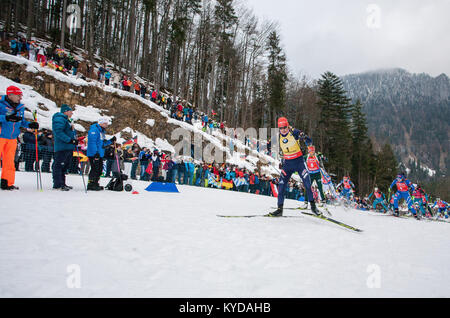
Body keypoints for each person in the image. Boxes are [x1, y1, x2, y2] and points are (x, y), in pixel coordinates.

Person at [268, 117, 320, 217]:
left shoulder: (294, 132)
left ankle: (313, 207)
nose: (283, 129)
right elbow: (267, 145)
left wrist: (304, 138)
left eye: (285, 127)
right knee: (282, 185)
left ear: (288, 126)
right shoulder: (277, 136)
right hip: (287, 164)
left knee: (307, 184)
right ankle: (279, 209)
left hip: (299, 162)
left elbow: (309, 141)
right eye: (281, 128)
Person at [0, 86, 39, 190]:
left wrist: (30, 125)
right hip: (1, 135)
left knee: (9, 162)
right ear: (10, 95)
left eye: (21, 95)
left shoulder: (20, 107)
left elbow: (21, 121)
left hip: (12, 138)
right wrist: (6, 118)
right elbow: (6, 118)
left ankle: (7, 183)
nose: (20, 97)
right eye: (18, 95)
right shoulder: (1, 104)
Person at [51, 104, 78, 191]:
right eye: (70, 111)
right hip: (62, 146)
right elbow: (58, 131)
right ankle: (57, 184)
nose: (72, 113)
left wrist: (74, 139)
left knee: (65, 165)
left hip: (68, 146)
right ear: (65, 111)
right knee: (59, 165)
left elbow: (69, 132)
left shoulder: (68, 120)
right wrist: (69, 140)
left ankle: (62, 183)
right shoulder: (59, 118)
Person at [86, 118, 115, 191]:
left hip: (100, 153)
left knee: (99, 169)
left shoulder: (101, 132)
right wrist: (95, 152)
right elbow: (92, 142)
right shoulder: (94, 130)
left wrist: (110, 141)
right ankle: (91, 184)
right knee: (94, 169)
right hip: (94, 154)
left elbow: (102, 143)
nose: (106, 125)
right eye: (105, 123)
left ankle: (95, 183)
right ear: (101, 123)